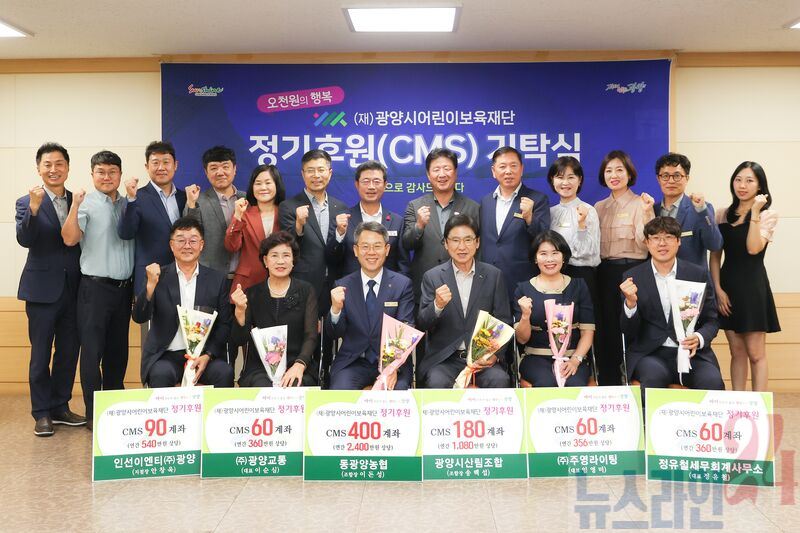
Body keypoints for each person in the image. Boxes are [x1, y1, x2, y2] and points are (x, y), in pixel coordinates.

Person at [61, 151, 134, 429]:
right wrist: (75, 205)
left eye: (112, 171)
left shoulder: (129, 203)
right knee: (92, 354)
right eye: (101, 172)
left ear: (119, 174)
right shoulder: (86, 203)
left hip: (124, 290)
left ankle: (113, 411)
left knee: (118, 352)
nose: (107, 177)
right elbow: (69, 239)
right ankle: (94, 413)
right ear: (92, 174)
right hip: (94, 289)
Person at [16, 143, 85, 436]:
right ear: (39, 169)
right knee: (41, 354)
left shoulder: (79, 200)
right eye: (48, 164)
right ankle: (42, 412)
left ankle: (60, 406)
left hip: (75, 289)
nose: (53, 169)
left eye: (59, 164)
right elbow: (25, 239)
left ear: (67, 168)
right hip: (41, 291)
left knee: (68, 352)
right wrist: (33, 209)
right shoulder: (26, 201)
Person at [620, 217, 724, 396]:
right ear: (647, 242)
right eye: (655, 238)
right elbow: (628, 330)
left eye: (668, 237)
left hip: (692, 353)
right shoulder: (633, 277)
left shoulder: (697, 274)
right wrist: (630, 303)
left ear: (678, 241)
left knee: (712, 381)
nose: (662, 243)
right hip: (651, 353)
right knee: (653, 379)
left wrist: (699, 337)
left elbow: (712, 320)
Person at [131, 217, 233, 388]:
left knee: (224, 372)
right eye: (180, 240)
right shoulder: (158, 276)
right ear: (171, 245)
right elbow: (139, 317)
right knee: (160, 374)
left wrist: (208, 355)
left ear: (201, 245)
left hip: (203, 355)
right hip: (167, 355)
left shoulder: (217, 279)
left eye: (193, 241)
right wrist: (150, 286)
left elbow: (224, 324)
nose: (187, 246)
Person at [416, 214, 511, 388]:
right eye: (455, 240)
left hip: (483, 358)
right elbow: (422, 323)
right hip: (445, 360)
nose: (462, 247)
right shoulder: (433, 277)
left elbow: (504, 320)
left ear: (477, 242)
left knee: (500, 380)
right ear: (446, 243)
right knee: (436, 382)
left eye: (468, 240)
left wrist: (495, 355)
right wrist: (437, 306)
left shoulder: (494, 275)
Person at [710, 162, 780, 391]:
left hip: (753, 289)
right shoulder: (722, 214)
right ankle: (737, 403)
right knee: (736, 352)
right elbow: (715, 257)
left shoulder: (767, 215)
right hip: (727, 288)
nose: (742, 185)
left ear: (760, 185)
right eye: (738, 179)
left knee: (756, 353)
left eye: (749, 180)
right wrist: (718, 290)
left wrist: (755, 212)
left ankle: (758, 406)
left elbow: (753, 248)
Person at [325, 222, 415, 390]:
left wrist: (392, 367)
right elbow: (333, 333)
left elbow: (405, 326)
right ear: (355, 250)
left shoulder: (402, 285)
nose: (371, 252)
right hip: (353, 362)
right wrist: (335, 310)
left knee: (397, 394)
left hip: (393, 362)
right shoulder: (342, 285)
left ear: (387, 249)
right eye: (365, 246)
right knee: (340, 393)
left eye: (377, 246)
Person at [593, 150, 655, 385]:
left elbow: (645, 243)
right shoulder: (598, 207)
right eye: (609, 171)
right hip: (604, 273)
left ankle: (636, 380)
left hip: (633, 271)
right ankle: (610, 383)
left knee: (632, 327)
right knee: (608, 329)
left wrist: (647, 213)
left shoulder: (642, 203)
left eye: (619, 170)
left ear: (629, 174)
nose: (614, 175)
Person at [230, 231, 319, 387]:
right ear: (265, 260)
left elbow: (311, 335)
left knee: (294, 385)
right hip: (260, 368)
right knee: (262, 387)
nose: (280, 261)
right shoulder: (252, 293)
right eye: (274, 256)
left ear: (293, 260)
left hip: (295, 364)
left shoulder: (306, 291)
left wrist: (300, 364)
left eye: (286, 255)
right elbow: (239, 340)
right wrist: (240, 311)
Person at [513, 231, 594, 387]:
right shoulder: (523, 289)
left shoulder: (579, 286)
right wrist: (525, 316)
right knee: (546, 384)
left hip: (572, 357)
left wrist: (575, 360)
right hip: (536, 358)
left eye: (555, 253)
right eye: (543, 254)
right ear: (535, 258)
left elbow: (587, 332)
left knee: (575, 384)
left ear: (563, 257)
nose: (549, 259)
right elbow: (522, 339)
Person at [403, 148, 480, 303]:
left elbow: (478, 249)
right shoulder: (415, 206)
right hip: (425, 286)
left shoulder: (473, 207)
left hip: (463, 285)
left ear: (455, 172)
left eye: (447, 168)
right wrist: (419, 225)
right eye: (436, 169)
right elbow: (406, 244)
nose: (442, 174)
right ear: (428, 175)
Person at [278, 149, 348, 316]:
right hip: (302, 283)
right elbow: (287, 247)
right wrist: (298, 225)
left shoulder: (340, 208)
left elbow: (341, 252)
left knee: (331, 329)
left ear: (329, 173)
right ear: (303, 174)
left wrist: (340, 234)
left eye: (321, 170)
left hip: (333, 285)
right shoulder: (289, 206)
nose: (316, 175)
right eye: (310, 170)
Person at [479, 146, 550, 301]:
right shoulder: (486, 201)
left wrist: (530, 218)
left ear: (522, 169)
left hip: (522, 282)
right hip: (488, 281)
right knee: (489, 318)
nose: (508, 171)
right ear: (493, 171)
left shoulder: (537, 199)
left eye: (513, 165)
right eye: (502, 166)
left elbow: (544, 239)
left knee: (521, 318)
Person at [117, 141, 186, 294]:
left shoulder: (185, 197)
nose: (161, 168)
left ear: (175, 165)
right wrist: (131, 199)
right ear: (147, 167)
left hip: (182, 275)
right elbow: (125, 233)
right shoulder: (136, 197)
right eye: (155, 163)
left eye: (166, 162)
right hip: (149, 276)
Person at [326, 160, 410, 276]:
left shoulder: (397, 221)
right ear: (357, 185)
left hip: (389, 286)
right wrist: (339, 234)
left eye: (376, 182)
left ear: (385, 185)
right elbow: (331, 259)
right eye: (366, 181)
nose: (371, 187)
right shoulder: (343, 219)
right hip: (351, 285)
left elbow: (403, 264)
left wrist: (399, 286)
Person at [547, 156, 601, 310]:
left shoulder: (588, 210)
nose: (565, 183)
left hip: (582, 276)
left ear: (580, 180)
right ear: (552, 180)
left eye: (571, 177)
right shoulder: (550, 212)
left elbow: (586, 251)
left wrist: (581, 224)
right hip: (555, 276)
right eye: (560, 177)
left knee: (584, 320)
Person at [184, 145, 246, 277]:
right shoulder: (198, 200)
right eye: (213, 168)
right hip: (210, 276)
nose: (220, 172)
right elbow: (189, 234)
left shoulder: (247, 199)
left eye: (225, 167)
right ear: (206, 172)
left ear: (234, 169)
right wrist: (191, 204)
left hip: (243, 277)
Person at [655, 152, 722, 268]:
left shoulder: (701, 209)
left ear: (687, 178)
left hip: (692, 277)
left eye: (677, 176)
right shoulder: (652, 210)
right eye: (665, 176)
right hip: (660, 277)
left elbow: (714, 245)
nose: (671, 181)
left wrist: (702, 210)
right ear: (658, 179)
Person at [225, 164, 284, 296]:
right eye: (258, 183)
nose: (263, 187)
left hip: (279, 282)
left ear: (277, 185)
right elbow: (231, 246)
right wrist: (237, 216)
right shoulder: (244, 213)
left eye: (268, 182)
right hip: (248, 283)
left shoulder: (285, 213)